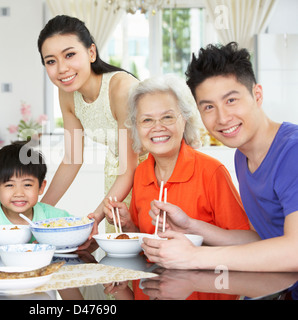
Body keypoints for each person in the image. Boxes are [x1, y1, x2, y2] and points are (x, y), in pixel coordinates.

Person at [142, 42, 298, 272]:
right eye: (208, 107)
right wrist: (191, 227)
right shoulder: (242, 157)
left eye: (231, 100)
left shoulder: (291, 152)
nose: (223, 118)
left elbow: (294, 251)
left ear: (257, 95)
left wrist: (195, 257)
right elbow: (262, 242)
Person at [103, 74, 250, 300]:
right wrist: (128, 225)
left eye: (168, 117)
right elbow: (146, 245)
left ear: (185, 119)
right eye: (147, 120)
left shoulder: (211, 172)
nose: (157, 127)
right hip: (151, 288)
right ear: (136, 127)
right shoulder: (141, 173)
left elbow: (245, 243)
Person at [37, 15, 141, 233]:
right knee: (120, 253)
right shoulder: (67, 93)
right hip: (118, 176)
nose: (62, 68)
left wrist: (95, 217)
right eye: (51, 61)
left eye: (70, 55)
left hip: (152, 174)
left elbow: (130, 167)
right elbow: (72, 159)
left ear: (91, 52)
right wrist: (39, 213)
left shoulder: (121, 88)